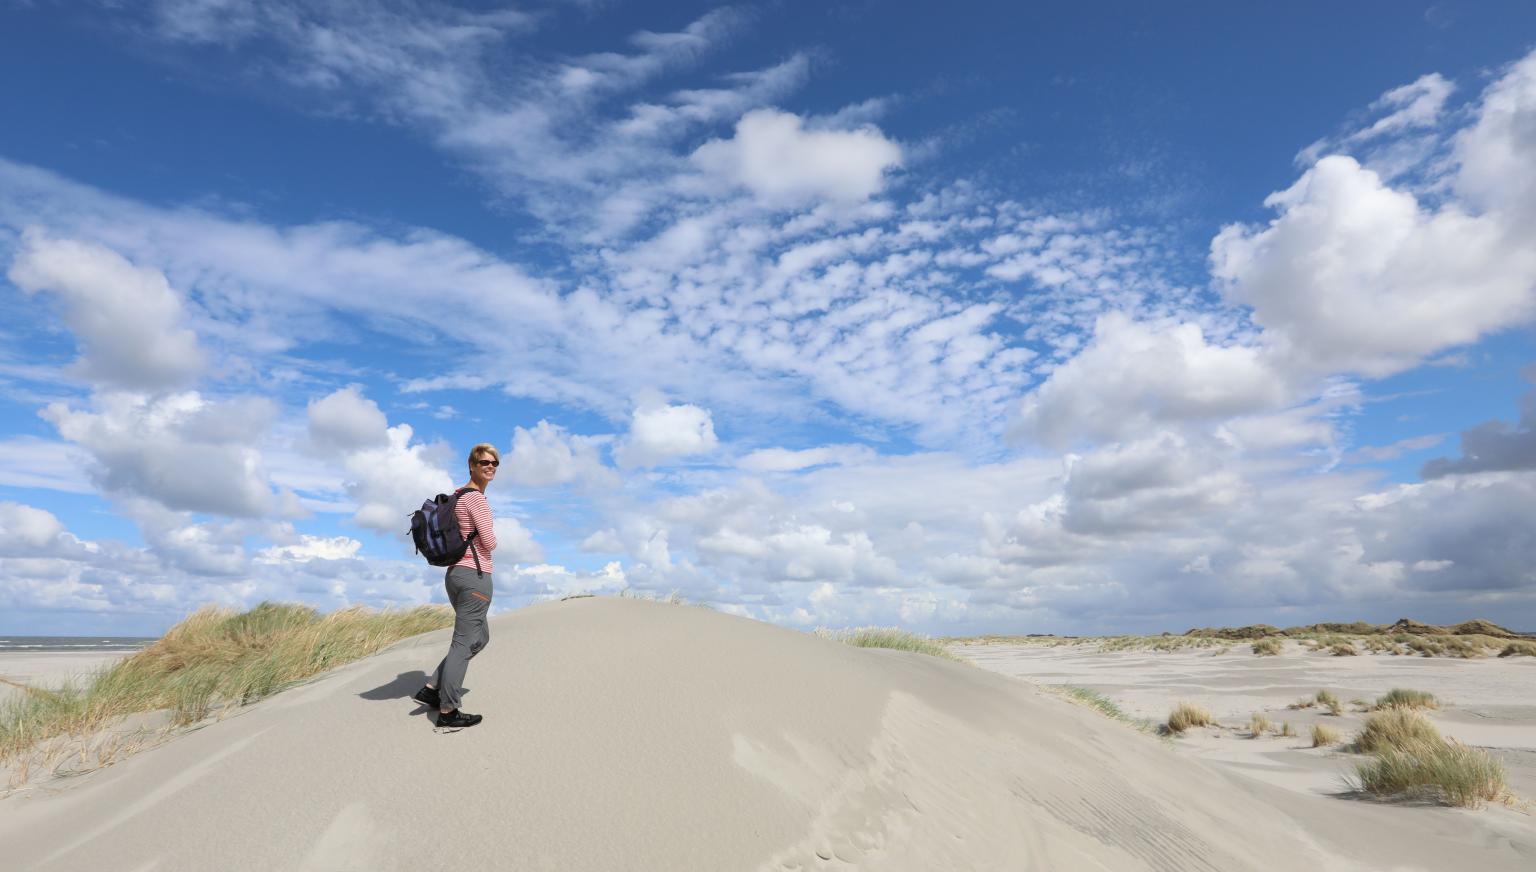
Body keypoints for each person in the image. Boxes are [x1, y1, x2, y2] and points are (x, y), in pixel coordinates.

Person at [414, 442, 499, 730]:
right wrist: (493, 537)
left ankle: (431, 687)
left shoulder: (457, 497)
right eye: (484, 463)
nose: (490, 467)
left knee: (479, 637)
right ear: (472, 466)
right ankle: (448, 710)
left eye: (494, 463)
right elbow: (489, 542)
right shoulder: (475, 499)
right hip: (474, 574)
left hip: (455, 575)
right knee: (464, 643)